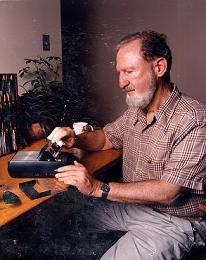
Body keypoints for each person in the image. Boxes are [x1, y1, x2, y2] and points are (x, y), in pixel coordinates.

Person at [48, 31, 206, 259]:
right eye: (119, 73)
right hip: (134, 207)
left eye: (129, 72)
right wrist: (76, 137)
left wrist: (96, 188)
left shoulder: (195, 119)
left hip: (176, 221)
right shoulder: (136, 110)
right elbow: (106, 138)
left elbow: (168, 192)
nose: (121, 82)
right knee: (65, 226)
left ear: (159, 68)